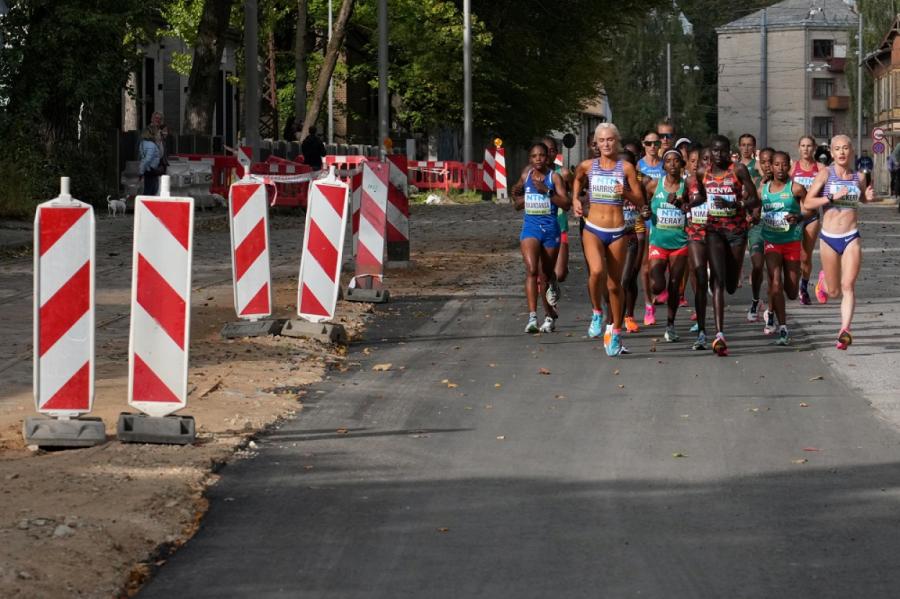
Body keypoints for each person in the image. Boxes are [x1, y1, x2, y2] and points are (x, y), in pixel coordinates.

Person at [572, 123, 644, 356]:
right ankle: (596, 312)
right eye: (601, 140)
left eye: (610, 140)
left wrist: (624, 193)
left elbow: (640, 200)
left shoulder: (626, 168)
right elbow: (577, 179)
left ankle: (615, 332)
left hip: (617, 231)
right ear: (595, 143)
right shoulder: (587, 166)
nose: (606, 144)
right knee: (596, 272)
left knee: (615, 285)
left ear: (617, 141)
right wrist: (575, 200)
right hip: (592, 228)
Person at [806, 135, 876, 349]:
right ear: (832, 153)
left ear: (852, 150)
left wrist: (869, 197)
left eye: (845, 148)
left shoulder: (859, 178)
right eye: (837, 149)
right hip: (828, 238)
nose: (842, 152)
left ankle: (844, 330)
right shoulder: (825, 174)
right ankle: (824, 282)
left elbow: (862, 198)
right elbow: (808, 202)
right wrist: (831, 198)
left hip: (851, 236)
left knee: (848, 286)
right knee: (834, 291)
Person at [704, 135, 760, 356]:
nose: (719, 155)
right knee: (717, 281)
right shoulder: (704, 173)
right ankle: (719, 334)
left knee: (730, 285)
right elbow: (697, 197)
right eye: (715, 151)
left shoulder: (738, 170)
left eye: (723, 151)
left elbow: (755, 200)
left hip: (736, 231)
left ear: (729, 151)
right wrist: (684, 202)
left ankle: (731, 276)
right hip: (714, 230)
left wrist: (735, 203)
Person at [511, 142, 570, 333]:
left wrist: (547, 191)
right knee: (531, 270)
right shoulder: (526, 175)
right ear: (530, 159)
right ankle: (532, 317)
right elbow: (517, 202)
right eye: (534, 156)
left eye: (542, 156)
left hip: (550, 229)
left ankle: (549, 313)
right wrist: (518, 197)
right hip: (530, 228)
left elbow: (566, 204)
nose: (538, 159)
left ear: (548, 158)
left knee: (545, 274)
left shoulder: (555, 177)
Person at [641, 150, 694, 342]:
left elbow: (693, 210)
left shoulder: (687, 187)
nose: (672, 164)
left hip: (679, 244)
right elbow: (644, 206)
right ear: (663, 166)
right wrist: (645, 212)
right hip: (658, 242)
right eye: (668, 161)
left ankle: (670, 325)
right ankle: (658, 297)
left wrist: (681, 204)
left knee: (674, 285)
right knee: (657, 285)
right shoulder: (654, 185)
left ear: (681, 164)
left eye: (676, 161)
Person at [760, 151, 807, 344]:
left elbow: (809, 207)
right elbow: (754, 208)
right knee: (776, 283)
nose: (780, 168)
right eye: (776, 165)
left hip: (792, 242)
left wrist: (800, 217)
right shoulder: (762, 189)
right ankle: (783, 328)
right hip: (771, 241)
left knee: (792, 291)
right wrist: (752, 215)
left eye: (784, 165)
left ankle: (770, 309)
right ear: (771, 166)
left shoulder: (796, 188)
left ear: (789, 166)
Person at [686, 145, 711, 349]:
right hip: (695, 234)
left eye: (704, 160)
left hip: (718, 235)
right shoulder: (688, 182)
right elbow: (684, 204)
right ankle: (702, 329)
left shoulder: (721, 181)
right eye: (694, 161)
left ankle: (717, 326)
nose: (701, 164)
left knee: (721, 283)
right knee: (700, 276)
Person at [637, 130, 664, 326]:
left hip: (665, 221)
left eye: (656, 143)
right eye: (649, 143)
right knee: (645, 267)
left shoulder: (667, 165)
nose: (653, 147)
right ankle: (648, 305)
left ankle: (660, 288)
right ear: (643, 144)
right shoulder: (638, 166)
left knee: (661, 266)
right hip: (645, 220)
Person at [618, 148, 646, 334]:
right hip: (614, 235)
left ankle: (627, 315)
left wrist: (646, 210)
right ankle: (614, 315)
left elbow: (645, 207)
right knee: (617, 279)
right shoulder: (610, 185)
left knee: (629, 278)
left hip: (636, 234)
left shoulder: (639, 185)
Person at [792, 135, 821, 305]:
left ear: (814, 148)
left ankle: (803, 288)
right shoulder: (791, 168)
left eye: (809, 146)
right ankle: (793, 283)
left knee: (806, 256)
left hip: (812, 217)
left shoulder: (821, 168)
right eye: (803, 145)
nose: (806, 149)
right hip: (795, 217)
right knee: (794, 255)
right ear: (798, 148)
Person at [747, 147, 774, 323]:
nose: (767, 165)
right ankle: (756, 300)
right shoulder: (754, 181)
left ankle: (771, 311)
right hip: (757, 229)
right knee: (757, 266)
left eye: (770, 161)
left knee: (774, 273)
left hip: (776, 231)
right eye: (763, 162)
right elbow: (748, 202)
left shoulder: (785, 182)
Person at [139, 125, 162, 196]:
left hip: (148, 170)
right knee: (151, 191)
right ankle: (145, 206)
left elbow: (143, 158)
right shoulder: (151, 145)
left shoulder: (143, 143)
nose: (158, 135)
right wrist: (141, 171)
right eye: (157, 133)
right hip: (151, 170)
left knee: (149, 190)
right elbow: (147, 159)